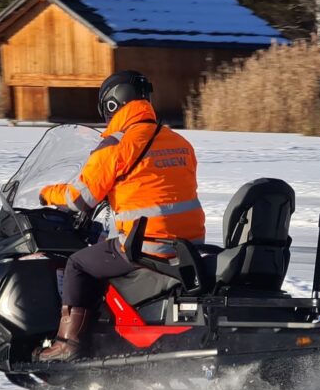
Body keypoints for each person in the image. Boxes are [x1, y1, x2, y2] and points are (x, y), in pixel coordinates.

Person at [36, 70, 205, 362]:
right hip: (189, 246)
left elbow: (79, 199)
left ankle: (68, 344)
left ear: (112, 104)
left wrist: (45, 194)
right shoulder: (179, 142)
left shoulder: (117, 144)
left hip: (147, 247)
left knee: (78, 264)